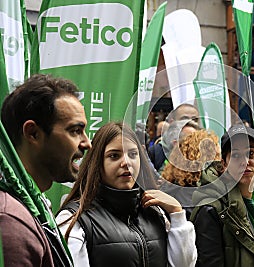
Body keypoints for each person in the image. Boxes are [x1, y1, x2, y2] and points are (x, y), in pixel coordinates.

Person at [56, 122, 197, 267]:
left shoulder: (155, 211)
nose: (126, 162)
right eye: (114, 156)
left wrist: (177, 214)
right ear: (97, 162)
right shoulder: (74, 219)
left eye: (133, 154)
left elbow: (183, 265)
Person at [0, 73, 92, 266]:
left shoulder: (30, 205)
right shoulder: (11, 221)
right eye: (75, 131)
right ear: (33, 133)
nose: (87, 143)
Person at [191, 124, 254, 267]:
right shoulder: (211, 209)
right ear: (224, 164)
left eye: (251, 153)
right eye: (235, 155)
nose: (245, 162)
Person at [161, 129, 221, 219]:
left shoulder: (171, 186)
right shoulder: (198, 197)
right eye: (218, 156)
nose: (222, 163)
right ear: (205, 160)